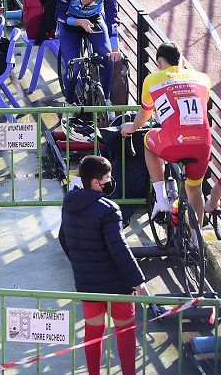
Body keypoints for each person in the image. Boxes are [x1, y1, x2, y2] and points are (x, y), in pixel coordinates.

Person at [59, 155, 146, 375]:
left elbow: (63, 238)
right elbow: (119, 249)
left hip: (87, 283)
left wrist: (81, 263)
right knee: (125, 331)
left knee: (93, 333)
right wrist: (138, 282)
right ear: (96, 182)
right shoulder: (109, 209)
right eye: (107, 177)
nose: (110, 181)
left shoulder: (69, 204)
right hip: (117, 284)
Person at [122, 43, 211, 226]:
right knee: (195, 189)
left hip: (172, 143)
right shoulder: (203, 78)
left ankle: (161, 197)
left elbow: (145, 113)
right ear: (182, 62)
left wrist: (131, 127)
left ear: (160, 63)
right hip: (203, 145)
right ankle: (196, 240)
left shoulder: (152, 80)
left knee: (148, 140)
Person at [55, 0, 122, 121]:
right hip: (70, 22)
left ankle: (106, 99)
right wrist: (77, 21)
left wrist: (115, 48)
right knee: (74, 64)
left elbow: (112, 18)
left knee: (107, 58)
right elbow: (58, 14)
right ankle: (69, 102)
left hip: (94, 19)